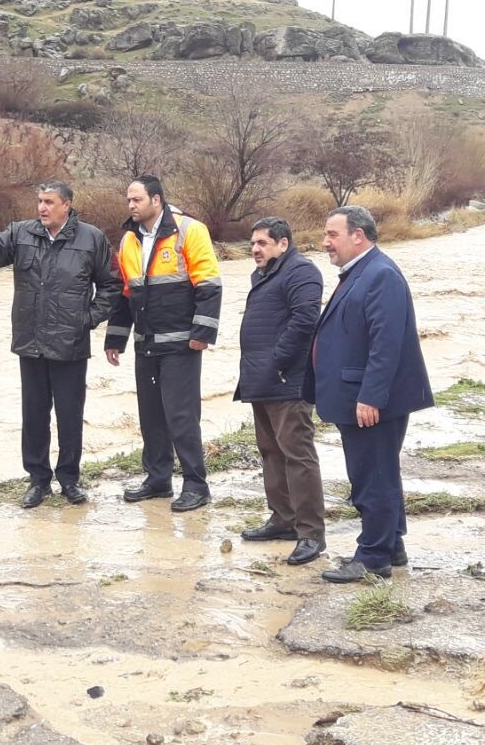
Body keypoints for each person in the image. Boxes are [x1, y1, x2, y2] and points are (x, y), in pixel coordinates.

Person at [0, 180, 120, 508]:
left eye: (49, 202)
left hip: (70, 344)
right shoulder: (21, 233)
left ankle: (69, 480)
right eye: (40, 201)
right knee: (34, 415)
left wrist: (87, 319)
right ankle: (38, 481)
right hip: (31, 341)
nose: (42, 207)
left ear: (66, 205)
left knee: (70, 416)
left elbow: (111, 285)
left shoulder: (91, 238)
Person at [307, 205, 433, 582]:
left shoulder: (380, 275)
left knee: (371, 477)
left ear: (357, 235)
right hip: (361, 395)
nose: (325, 242)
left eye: (332, 235)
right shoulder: (360, 272)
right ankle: (391, 546)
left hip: (370, 401)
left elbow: (386, 343)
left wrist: (371, 396)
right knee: (380, 474)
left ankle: (373, 557)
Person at [104, 175, 222, 512]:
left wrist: (202, 334)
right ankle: (158, 479)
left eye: (137, 200)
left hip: (182, 344)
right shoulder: (129, 239)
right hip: (146, 344)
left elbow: (210, 285)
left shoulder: (189, 230)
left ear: (156, 200)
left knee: (181, 417)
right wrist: (116, 338)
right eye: (128, 200)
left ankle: (196, 486)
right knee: (151, 416)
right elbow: (127, 292)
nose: (131, 206)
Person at [234, 217, 326, 565]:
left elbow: (305, 321)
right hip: (261, 380)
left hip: (288, 380)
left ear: (283, 243)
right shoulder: (264, 274)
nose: (255, 249)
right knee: (270, 451)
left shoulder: (301, 272)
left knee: (297, 455)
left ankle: (311, 534)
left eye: (262, 243)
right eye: (252, 243)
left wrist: (276, 362)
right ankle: (282, 519)